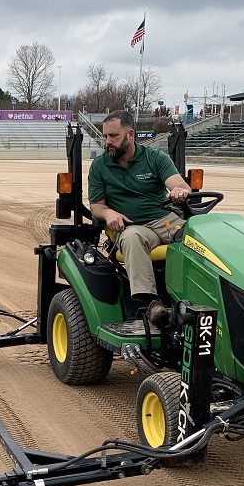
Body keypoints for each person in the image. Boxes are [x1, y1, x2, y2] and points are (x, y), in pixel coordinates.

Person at [88, 109, 191, 325]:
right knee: (131, 238)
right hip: (133, 226)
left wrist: (179, 191)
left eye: (114, 136)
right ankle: (153, 304)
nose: (108, 142)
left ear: (130, 135)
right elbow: (96, 207)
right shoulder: (99, 166)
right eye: (105, 136)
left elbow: (179, 184)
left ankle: (194, 296)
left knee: (196, 236)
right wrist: (108, 213)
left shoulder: (154, 158)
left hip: (164, 219)